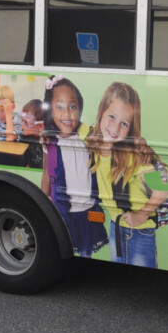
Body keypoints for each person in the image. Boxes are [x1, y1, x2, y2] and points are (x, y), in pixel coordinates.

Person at [89, 82, 168, 269]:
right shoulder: (96, 144)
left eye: (124, 123)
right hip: (115, 227)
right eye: (112, 117)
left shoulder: (134, 157)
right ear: (101, 112)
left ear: (131, 128)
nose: (115, 128)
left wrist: (141, 215)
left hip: (139, 233)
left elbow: (162, 189)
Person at [40, 76, 107, 257]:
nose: (67, 114)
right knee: (63, 248)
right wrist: (42, 202)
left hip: (88, 211)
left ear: (80, 109)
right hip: (63, 211)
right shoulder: (51, 140)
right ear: (50, 110)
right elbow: (47, 171)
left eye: (72, 107)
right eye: (59, 107)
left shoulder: (86, 137)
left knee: (87, 251)